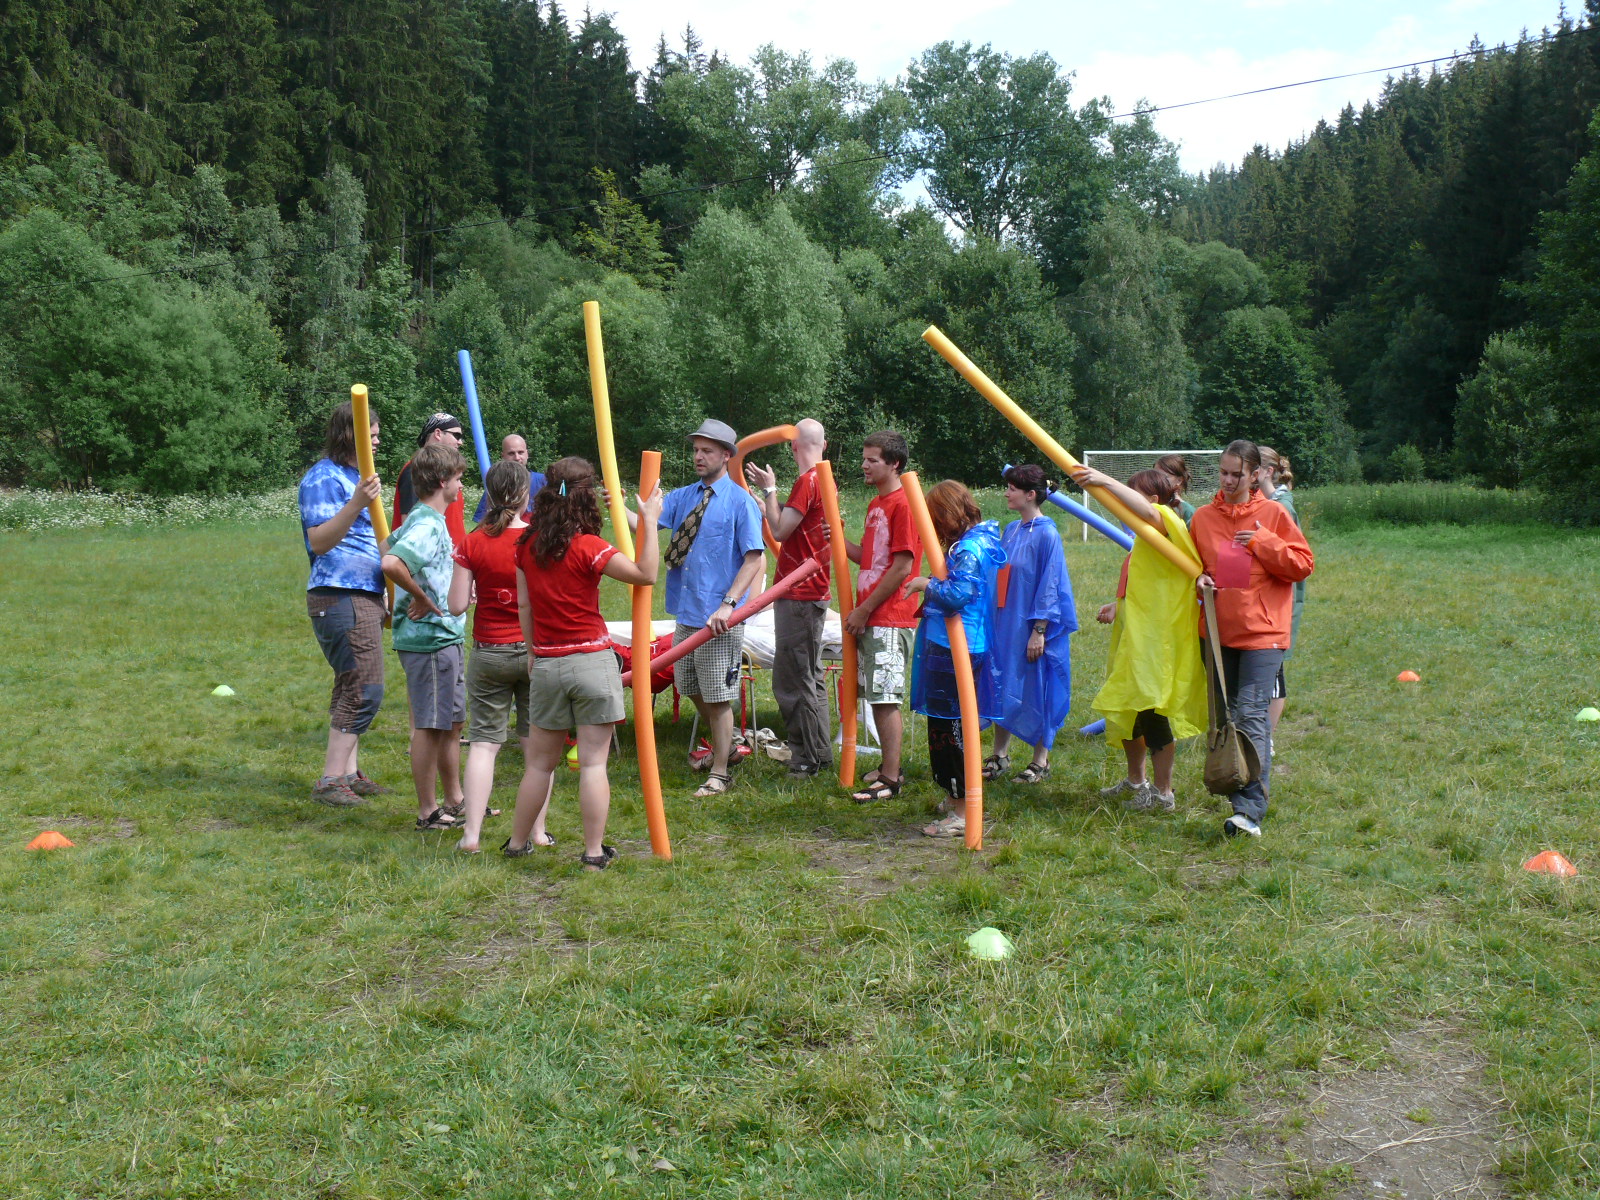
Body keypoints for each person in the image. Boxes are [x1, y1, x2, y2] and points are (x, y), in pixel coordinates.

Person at [505, 457, 663, 868]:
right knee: (593, 763)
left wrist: (532, 651)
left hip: (547, 663)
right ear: (586, 495)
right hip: (592, 661)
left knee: (539, 766)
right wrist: (649, 520)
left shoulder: (526, 547)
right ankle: (593, 853)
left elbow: (524, 605)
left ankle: (517, 843)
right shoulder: (589, 546)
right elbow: (646, 574)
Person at [1190, 439, 1315, 838]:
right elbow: (1192, 565)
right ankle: (1238, 792)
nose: (1228, 481)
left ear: (1256, 474)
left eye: (1237, 475)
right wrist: (1198, 578)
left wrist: (1264, 542)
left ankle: (1249, 810)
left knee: (1250, 713)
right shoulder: (1203, 518)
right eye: (1223, 473)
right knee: (1227, 717)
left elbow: (1302, 565)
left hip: (1264, 633)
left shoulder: (1274, 514)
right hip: (1217, 632)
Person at [1071, 465, 1207, 814]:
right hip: (1137, 637)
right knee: (1128, 707)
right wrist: (1118, 605)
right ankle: (1136, 782)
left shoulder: (1167, 523)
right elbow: (1148, 585)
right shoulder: (1146, 540)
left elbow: (1148, 512)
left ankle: (1164, 793)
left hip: (1156, 642)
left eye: (1131, 496)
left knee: (1151, 712)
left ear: (1154, 499)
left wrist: (1104, 480)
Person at [646, 419, 765, 799]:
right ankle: (728, 744)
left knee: (717, 695)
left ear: (726, 456)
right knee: (688, 684)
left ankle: (720, 771)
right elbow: (647, 523)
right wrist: (621, 507)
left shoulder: (740, 502)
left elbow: (753, 558)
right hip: (687, 611)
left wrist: (729, 605)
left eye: (707, 451)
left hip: (719, 618)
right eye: (696, 450)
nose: (698, 456)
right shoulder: (684, 496)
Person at [298, 401, 393, 807]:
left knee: (351, 683)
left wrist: (388, 591)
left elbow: (372, 540)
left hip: (362, 594)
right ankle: (330, 780)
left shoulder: (356, 477)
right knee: (365, 688)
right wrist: (356, 502)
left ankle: (348, 775)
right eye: (370, 435)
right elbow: (319, 541)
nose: (378, 442)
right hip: (339, 593)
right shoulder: (323, 477)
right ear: (348, 436)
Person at [904, 481, 1006, 838]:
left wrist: (925, 584)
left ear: (947, 514)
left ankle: (963, 811)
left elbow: (959, 594)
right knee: (945, 725)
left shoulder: (969, 548)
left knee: (950, 729)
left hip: (956, 647)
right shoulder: (977, 541)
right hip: (952, 643)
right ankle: (955, 797)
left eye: (935, 517)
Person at [448, 460, 537, 853]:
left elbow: (455, 605)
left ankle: (471, 835)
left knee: (484, 745)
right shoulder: (536, 539)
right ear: (525, 495)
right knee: (537, 750)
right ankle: (537, 832)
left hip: (489, 652)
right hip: (535, 652)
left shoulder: (472, 542)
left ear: (489, 493)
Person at [382, 443, 470, 831]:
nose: (461, 485)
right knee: (430, 726)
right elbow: (390, 561)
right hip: (429, 641)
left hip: (444, 638)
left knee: (449, 725)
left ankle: (456, 800)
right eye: (458, 478)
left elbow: (385, 546)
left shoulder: (423, 517)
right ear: (442, 481)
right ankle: (427, 811)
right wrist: (418, 597)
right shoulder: (427, 525)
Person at [743, 418, 833, 778]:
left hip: (799, 592)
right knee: (809, 674)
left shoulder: (807, 481)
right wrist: (766, 501)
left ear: (793, 446)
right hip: (809, 589)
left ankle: (806, 757)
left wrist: (769, 490)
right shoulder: (823, 478)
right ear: (824, 445)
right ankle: (819, 752)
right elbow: (793, 525)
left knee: (793, 678)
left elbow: (780, 530)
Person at [842, 431, 924, 803]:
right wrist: (837, 539)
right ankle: (887, 767)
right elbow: (870, 558)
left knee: (885, 697)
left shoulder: (903, 503)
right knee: (875, 695)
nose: (864, 465)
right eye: (864, 458)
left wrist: (865, 609)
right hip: (873, 616)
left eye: (872, 459)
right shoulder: (877, 503)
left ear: (894, 463)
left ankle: (891, 777)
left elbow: (902, 567)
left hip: (890, 616)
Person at [984, 464, 1077, 784]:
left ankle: (1040, 761)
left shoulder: (1048, 534)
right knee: (1003, 682)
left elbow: (1051, 585)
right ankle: (1000, 755)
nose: (1006, 493)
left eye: (1012, 489)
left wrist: (1039, 631)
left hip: (1032, 627)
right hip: (1005, 623)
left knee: (1039, 687)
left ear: (1031, 494)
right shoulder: (1011, 529)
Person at [1254, 446, 1306, 750]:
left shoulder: (1282, 508)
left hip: (1279, 601)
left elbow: (1292, 560)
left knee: (1274, 672)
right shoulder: (1265, 503)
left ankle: (1267, 739)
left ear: (1267, 472)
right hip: (1263, 600)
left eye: (1251, 468)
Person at [393, 413, 469, 547]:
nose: (460, 442)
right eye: (456, 436)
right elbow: (409, 527)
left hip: (449, 556)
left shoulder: (445, 470)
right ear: (438, 433)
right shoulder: (416, 470)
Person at [473, 434, 548, 523]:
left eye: (520, 452)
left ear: (527, 454)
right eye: (511, 453)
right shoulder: (497, 484)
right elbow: (483, 521)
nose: (517, 458)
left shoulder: (544, 482)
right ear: (503, 456)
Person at [1154, 453, 1197, 524]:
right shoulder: (1149, 503)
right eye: (1154, 475)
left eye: (1164, 476)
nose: (1157, 479)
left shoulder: (1188, 511)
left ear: (1179, 480)